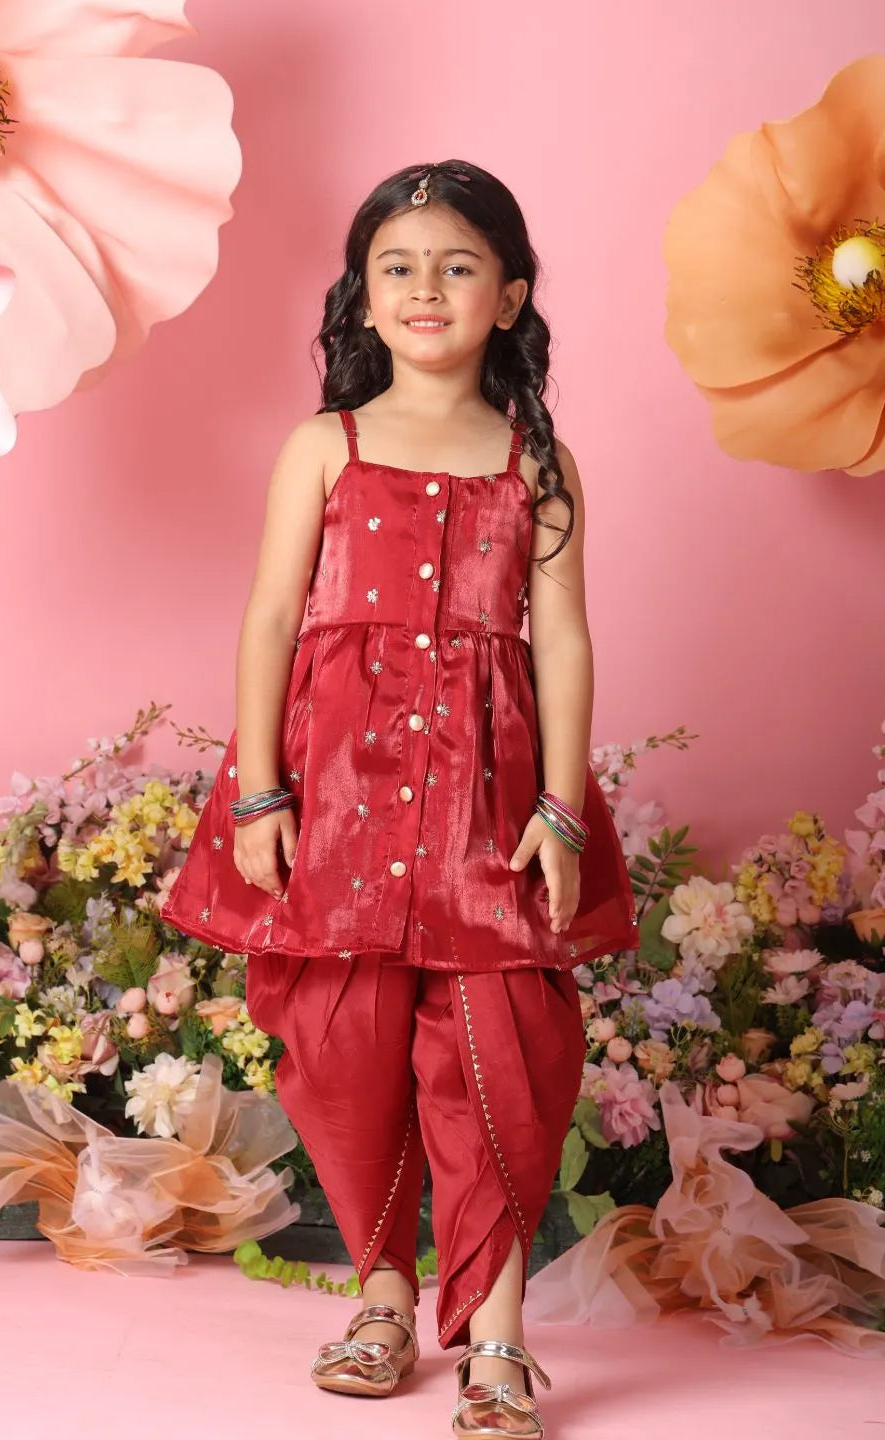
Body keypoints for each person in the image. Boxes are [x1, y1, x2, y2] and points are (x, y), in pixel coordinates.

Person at [161, 158, 640, 1438]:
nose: (427, 288)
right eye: (398, 267)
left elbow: (567, 642)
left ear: (512, 295)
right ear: (362, 300)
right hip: (338, 798)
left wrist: (564, 810)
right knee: (341, 1047)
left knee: (508, 1055)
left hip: (490, 803)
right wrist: (260, 793)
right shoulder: (327, 446)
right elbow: (271, 617)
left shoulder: (540, 462)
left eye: (459, 264)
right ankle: (379, 1296)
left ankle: (498, 1338)